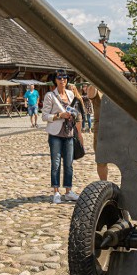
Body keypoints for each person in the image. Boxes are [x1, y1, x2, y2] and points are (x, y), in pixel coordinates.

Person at [42, 70, 84, 202]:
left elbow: (77, 112)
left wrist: (74, 115)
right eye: (60, 78)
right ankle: (56, 192)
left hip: (69, 133)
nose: (62, 80)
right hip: (55, 133)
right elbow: (44, 116)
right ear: (55, 80)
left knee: (69, 164)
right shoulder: (50, 96)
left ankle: (68, 191)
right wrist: (60, 115)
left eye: (64, 78)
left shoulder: (71, 94)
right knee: (55, 164)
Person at [87, 85, 109, 181]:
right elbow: (90, 93)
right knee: (101, 160)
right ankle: (103, 183)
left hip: (119, 125)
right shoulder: (97, 91)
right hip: (101, 129)